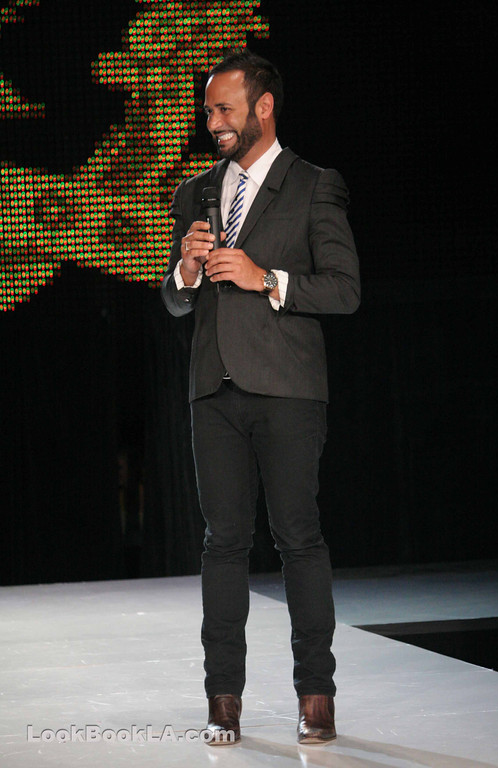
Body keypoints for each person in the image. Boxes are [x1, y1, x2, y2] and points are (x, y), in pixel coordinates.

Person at [161, 49, 360, 746]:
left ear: (264, 107)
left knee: (298, 537)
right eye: (208, 110)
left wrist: (265, 277)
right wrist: (185, 273)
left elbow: (344, 289)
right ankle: (223, 700)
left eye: (225, 108)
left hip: (288, 389)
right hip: (213, 388)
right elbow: (175, 302)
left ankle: (316, 696)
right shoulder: (194, 191)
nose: (212, 121)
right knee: (223, 544)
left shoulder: (313, 185)